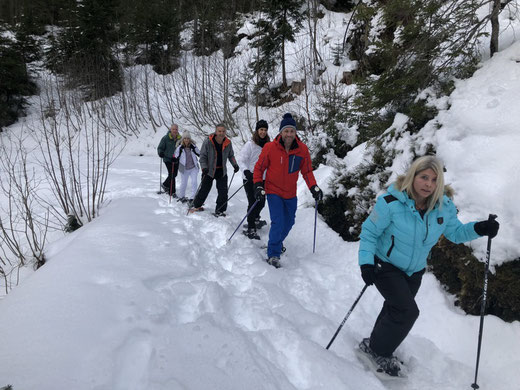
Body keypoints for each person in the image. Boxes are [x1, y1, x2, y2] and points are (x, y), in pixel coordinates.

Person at [357, 155, 499, 377]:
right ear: (413, 176)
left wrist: (480, 228)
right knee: (406, 311)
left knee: (394, 308)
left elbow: (456, 233)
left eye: (434, 180)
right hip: (384, 264)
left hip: (414, 271)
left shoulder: (442, 207)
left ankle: (374, 343)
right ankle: (378, 350)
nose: (428, 184)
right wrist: (366, 263)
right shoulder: (390, 203)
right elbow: (369, 233)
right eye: (424, 177)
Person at [253, 113, 323, 268]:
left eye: (292, 131)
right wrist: (258, 185)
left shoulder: (302, 150)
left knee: (289, 222)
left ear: (295, 132)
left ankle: (275, 242)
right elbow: (259, 168)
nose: (289, 134)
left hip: (291, 193)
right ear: (281, 132)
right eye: (286, 131)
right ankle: (273, 254)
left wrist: (314, 187)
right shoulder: (270, 148)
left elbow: (307, 172)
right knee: (278, 221)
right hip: (273, 191)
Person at [189, 123, 240, 216]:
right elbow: (203, 157)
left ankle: (220, 210)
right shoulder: (208, 141)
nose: (221, 133)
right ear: (216, 131)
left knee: (223, 191)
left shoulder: (228, 142)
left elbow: (231, 155)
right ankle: (196, 205)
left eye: (223, 131)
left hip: (221, 171)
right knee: (204, 189)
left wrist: (235, 165)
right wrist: (204, 168)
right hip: (209, 171)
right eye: (219, 131)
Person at [239, 120, 270, 240]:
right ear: (257, 130)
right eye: (261, 129)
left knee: (261, 201)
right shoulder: (250, 144)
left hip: (262, 178)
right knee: (253, 201)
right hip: (250, 178)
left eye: (265, 130)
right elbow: (241, 160)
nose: (263, 132)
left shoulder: (268, 145)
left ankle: (255, 218)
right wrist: (246, 171)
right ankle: (251, 228)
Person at [174, 131, 200, 204]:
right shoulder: (180, 148)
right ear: (183, 139)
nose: (186, 140)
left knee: (194, 182)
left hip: (193, 168)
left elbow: (199, 153)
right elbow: (175, 156)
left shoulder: (193, 146)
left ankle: (192, 198)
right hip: (184, 168)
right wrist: (174, 159)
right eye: (185, 138)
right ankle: (182, 196)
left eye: (188, 138)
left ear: (190, 139)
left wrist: (195, 150)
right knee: (184, 183)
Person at [157, 124, 181, 196]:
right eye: (173, 129)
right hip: (167, 159)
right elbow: (160, 148)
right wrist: (160, 153)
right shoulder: (165, 138)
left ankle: (165, 185)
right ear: (170, 130)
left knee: (174, 174)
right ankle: (172, 192)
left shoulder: (180, 139)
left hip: (176, 159)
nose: (175, 131)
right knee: (172, 174)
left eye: (176, 129)